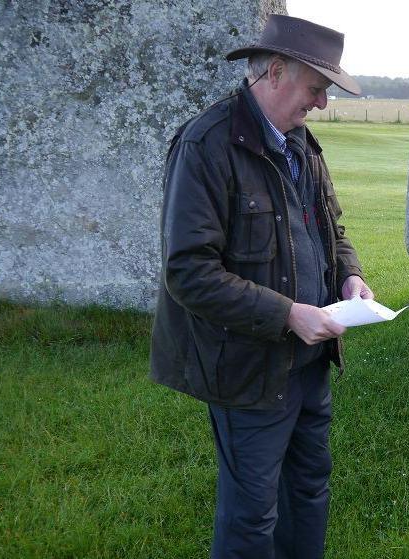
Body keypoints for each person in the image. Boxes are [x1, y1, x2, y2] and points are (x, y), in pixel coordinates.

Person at [149, 15, 372, 559]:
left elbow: (330, 226)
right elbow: (188, 272)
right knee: (252, 516)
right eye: (317, 88)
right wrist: (289, 314)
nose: (321, 104)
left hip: (311, 363)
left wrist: (350, 273)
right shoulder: (206, 144)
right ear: (275, 72)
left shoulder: (301, 143)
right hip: (247, 371)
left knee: (308, 492)